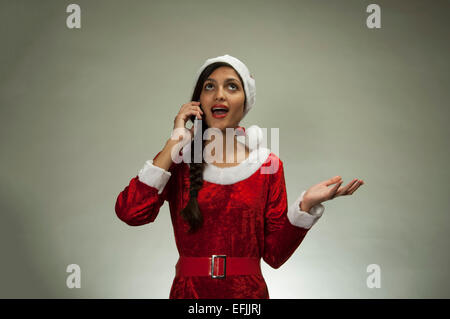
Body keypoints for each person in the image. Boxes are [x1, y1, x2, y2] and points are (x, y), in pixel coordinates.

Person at [115, 54, 364, 299]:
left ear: (246, 101)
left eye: (232, 86)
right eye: (209, 86)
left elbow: (275, 256)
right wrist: (175, 142)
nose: (219, 94)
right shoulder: (179, 160)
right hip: (189, 295)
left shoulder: (268, 165)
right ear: (198, 102)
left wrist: (305, 205)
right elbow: (131, 212)